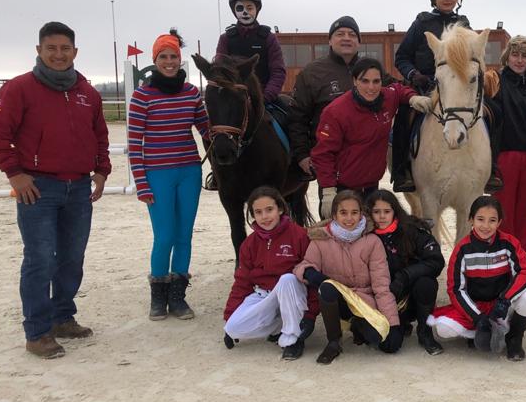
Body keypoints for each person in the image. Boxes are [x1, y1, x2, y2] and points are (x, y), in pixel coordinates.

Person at [0, 21, 110, 359]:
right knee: (40, 259)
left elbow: (100, 135)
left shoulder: (88, 93)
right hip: (39, 189)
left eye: (65, 48)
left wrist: (101, 170)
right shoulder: (20, 89)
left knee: (72, 258)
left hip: (78, 188)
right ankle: (37, 332)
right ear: (39, 50)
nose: (58, 54)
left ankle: (62, 317)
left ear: (75, 52)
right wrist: (15, 173)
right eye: (51, 48)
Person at [392, 0, 502, 193]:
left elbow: (473, 56)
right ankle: (402, 171)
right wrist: (414, 74)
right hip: (424, 85)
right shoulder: (421, 23)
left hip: (455, 87)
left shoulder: (463, 24)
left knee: (495, 112)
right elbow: (401, 57)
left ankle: (492, 169)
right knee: (404, 114)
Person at [128, 30, 210, 321]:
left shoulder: (191, 93)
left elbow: (206, 129)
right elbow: (134, 143)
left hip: (189, 172)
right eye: (163, 56)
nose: (169, 61)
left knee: (184, 235)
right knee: (164, 237)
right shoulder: (142, 96)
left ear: (180, 58)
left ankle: (178, 297)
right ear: (155, 60)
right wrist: (141, 183)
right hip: (157, 174)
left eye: (173, 56)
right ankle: (158, 297)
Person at [309, 57, 432, 220]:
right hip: (342, 189)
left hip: (371, 187)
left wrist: (412, 98)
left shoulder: (387, 97)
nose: (371, 87)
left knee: (370, 231)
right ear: (354, 81)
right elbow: (323, 154)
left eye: (376, 81)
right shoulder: (336, 112)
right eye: (365, 81)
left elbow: (398, 90)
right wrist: (328, 190)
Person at [295, 190, 403, 364]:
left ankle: (357, 325)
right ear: (334, 215)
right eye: (343, 213)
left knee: (388, 344)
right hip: (337, 302)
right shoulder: (321, 240)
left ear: (361, 214)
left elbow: (381, 286)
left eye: (354, 212)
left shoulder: (372, 242)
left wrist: (393, 323)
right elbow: (303, 265)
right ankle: (333, 342)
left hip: (364, 303)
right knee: (327, 287)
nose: (349, 218)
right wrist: (309, 272)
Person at [428, 195, 526, 361]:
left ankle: (514, 338)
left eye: (492, 220)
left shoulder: (509, 243)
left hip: (501, 306)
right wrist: (478, 318)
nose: (486, 226)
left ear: (499, 223)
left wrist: (505, 300)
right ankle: (478, 332)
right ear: (471, 220)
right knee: (443, 329)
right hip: (476, 306)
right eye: (480, 219)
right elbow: (455, 289)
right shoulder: (462, 249)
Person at [222, 186, 319, 359]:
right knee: (233, 327)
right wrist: (230, 315)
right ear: (252, 215)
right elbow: (242, 282)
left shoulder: (299, 235)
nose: (265, 217)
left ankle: (293, 338)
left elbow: (312, 278)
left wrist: (310, 316)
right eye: (258, 212)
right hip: (265, 294)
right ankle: (280, 325)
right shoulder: (249, 243)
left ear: (280, 209)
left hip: (293, 293)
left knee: (287, 279)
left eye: (269, 210)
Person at [367, 189, 446, 355]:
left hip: (409, 294)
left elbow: (435, 261)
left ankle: (425, 332)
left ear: (395, 211)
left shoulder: (411, 230)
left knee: (426, 283)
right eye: (376, 212)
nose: (382, 216)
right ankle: (399, 324)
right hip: (381, 297)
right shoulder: (363, 235)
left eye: (387, 211)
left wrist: (405, 275)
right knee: (387, 344)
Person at [286, 15, 362, 179]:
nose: (346, 38)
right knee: (332, 196)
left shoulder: (370, 69)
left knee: (368, 196)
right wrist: (302, 154)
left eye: (352, 34)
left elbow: (395, 90)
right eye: (340, 34)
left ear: (358, 42)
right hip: (329, 158)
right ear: (330, 41)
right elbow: (297, 117)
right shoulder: (312, 72)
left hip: (364, 158)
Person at [489, 35, 526, 248]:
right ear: (507, 56)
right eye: (515, 54)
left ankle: (519, 255)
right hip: (506, 154)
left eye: (525, 56)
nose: (520, 60)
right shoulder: (496, 80)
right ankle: (503, 256)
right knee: (504, 211)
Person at [215, 0, 286, 104]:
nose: (245, 12)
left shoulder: (269, 38)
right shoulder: (225, 39)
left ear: (256, 9)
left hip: (265, 99)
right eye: (240, 8)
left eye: (249, 8)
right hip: (234, 101)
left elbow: (278, 71)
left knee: (290, 114)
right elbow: (219, 71)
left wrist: (265, 98)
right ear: (234, 11)